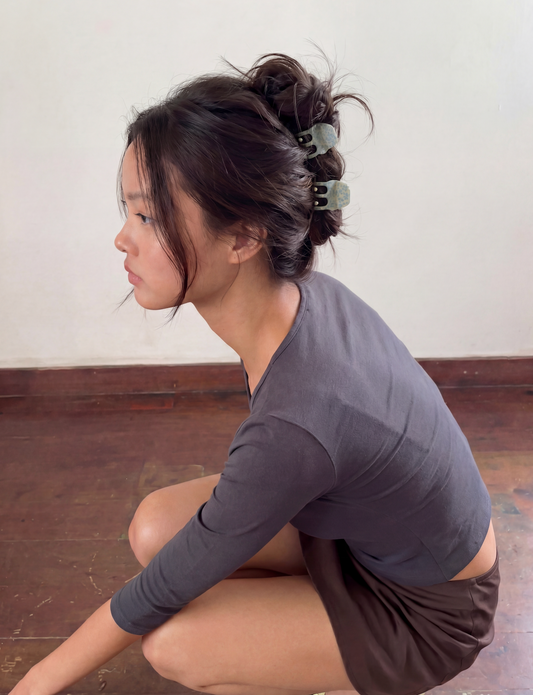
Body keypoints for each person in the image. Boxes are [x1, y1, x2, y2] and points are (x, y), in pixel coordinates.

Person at [11, 53, 499, 695]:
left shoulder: (298, 418)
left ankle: (323, 667)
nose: (122, 239)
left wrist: (37, 682)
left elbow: (165, 588)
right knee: (154, 525)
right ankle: (291, 638)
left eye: (148, 217)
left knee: (174, 643)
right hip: (362, 539)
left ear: (243, 237)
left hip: (426, 611)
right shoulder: (300, 297)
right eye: (128, 211)